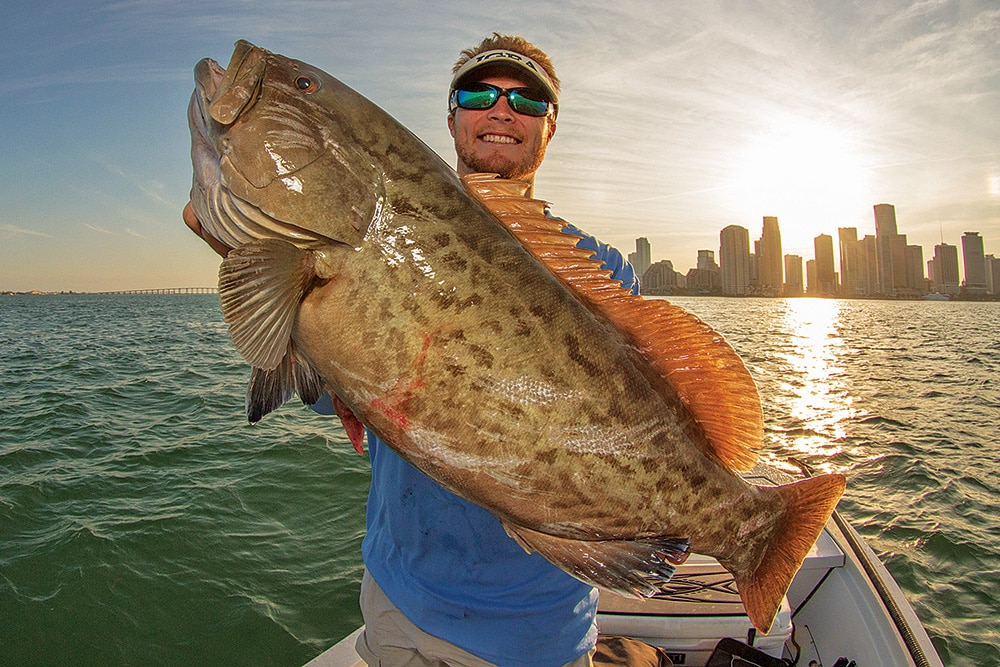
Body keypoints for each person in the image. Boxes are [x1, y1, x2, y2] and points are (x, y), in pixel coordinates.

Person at [184, 33, 639, 667]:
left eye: (526, 100)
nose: (501, 109)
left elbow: (635, 423)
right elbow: (332, 392)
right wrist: (277, 279)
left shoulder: (603, 270)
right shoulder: (365, 223)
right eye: (479, 93)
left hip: (539, 629)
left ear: (549, 127)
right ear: (452, 118)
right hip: (398, 603)